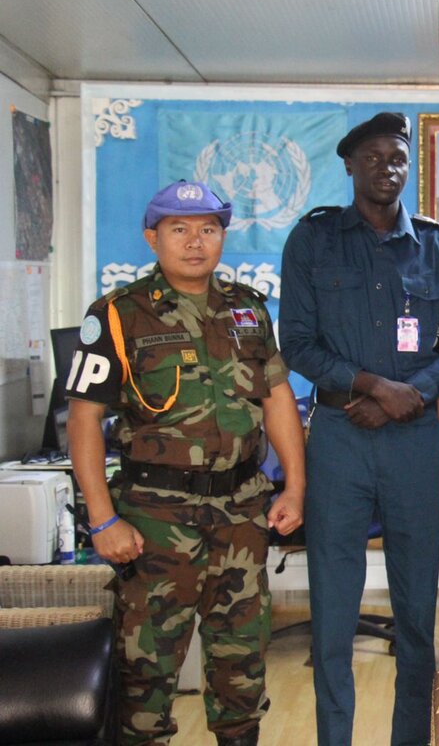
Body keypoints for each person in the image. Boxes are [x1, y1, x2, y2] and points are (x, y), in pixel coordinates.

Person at [66, 180, 306, 746]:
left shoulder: (247, 310)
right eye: (179, 229)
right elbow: (83, 422)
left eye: (208, 229)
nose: (195, 242)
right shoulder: (118, 316)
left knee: (241, 673)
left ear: (223, 236)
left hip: (241, 514)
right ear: (153, 238)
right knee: (146, 680)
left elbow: (277, 401)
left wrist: (294, 487)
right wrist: (102, 519)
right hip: (154, 522)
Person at [278, 112, 439, 746]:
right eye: (373, 157)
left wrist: (410, 395)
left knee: (419, 612)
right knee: (333, 614)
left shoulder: (437, 246)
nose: (386, 168)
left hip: (415, 442)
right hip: (339, 439)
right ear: (348, 164)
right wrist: (371, 386)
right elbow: (298, 346)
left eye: (397, 158)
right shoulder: (311, 241)